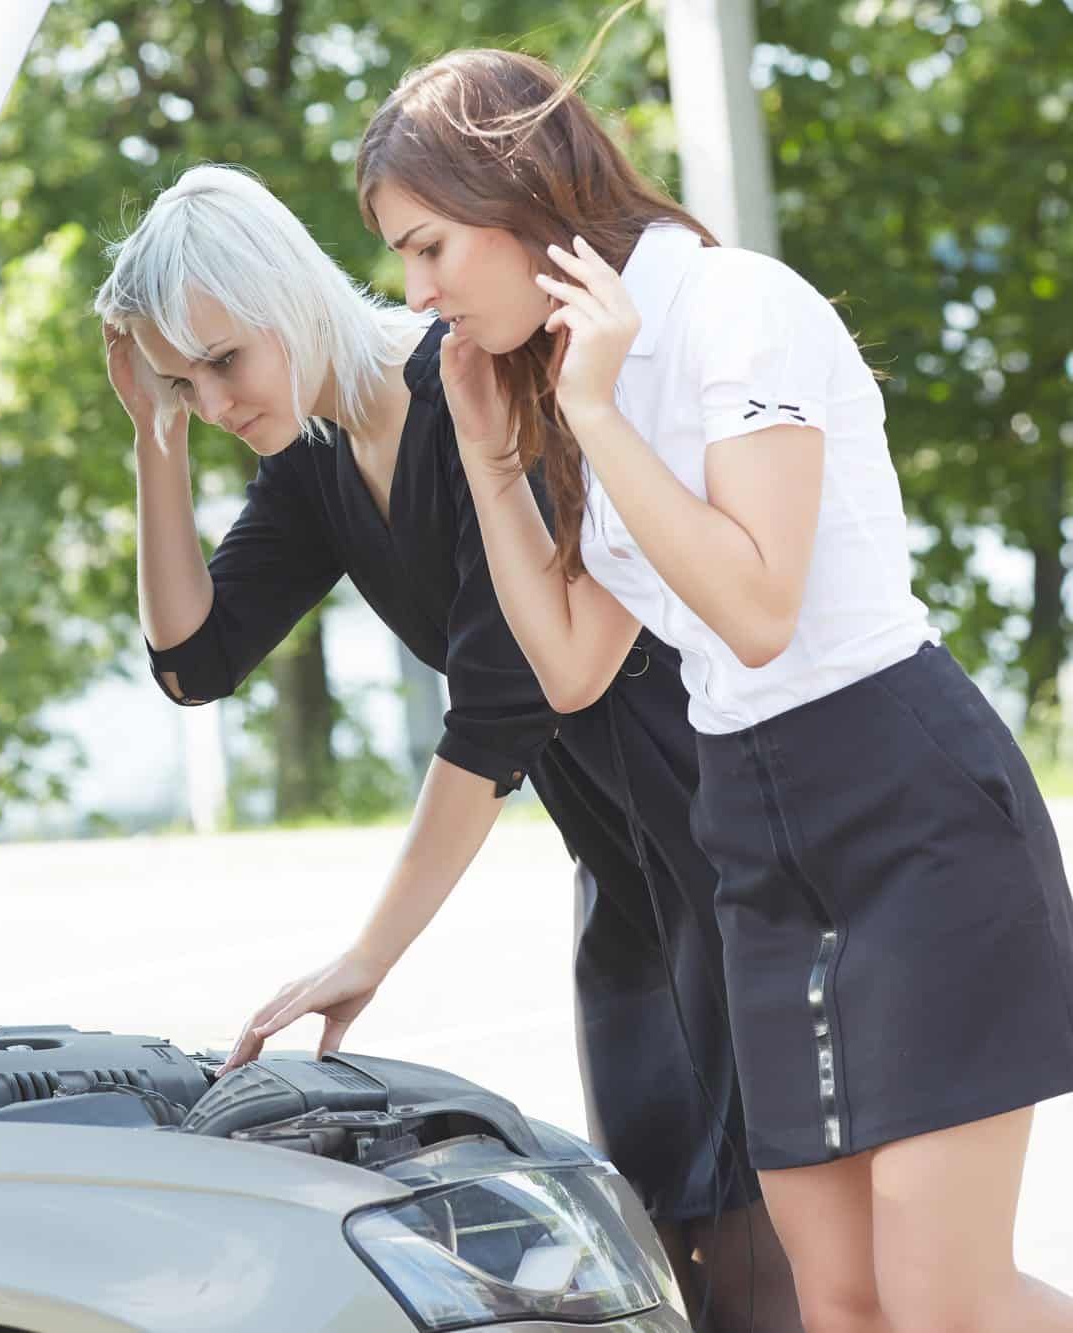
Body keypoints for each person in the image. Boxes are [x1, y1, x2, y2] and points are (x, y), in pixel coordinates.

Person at [355, 45, 1073, 1333]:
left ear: (520, 197)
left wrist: (596, 415)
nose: (417, 295)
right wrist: (486, 452)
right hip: (750, 832)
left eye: (429, 249)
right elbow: (572, 665)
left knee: (941, 1302)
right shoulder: (586, 374)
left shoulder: (738, 309)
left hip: (907, 807)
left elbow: (754, 606)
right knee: (837, 1305)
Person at [95, 163, 796, 1328]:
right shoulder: (317, 461)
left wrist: (367, 955)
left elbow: (495, 717)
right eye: (183, 380)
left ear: (286, 295)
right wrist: (150, 440)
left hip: (719, 833)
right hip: (619, 871)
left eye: (224, 361)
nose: (213, 402)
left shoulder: (471, 389)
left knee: (767, 1248)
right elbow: (192, 662)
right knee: (667, 1237)